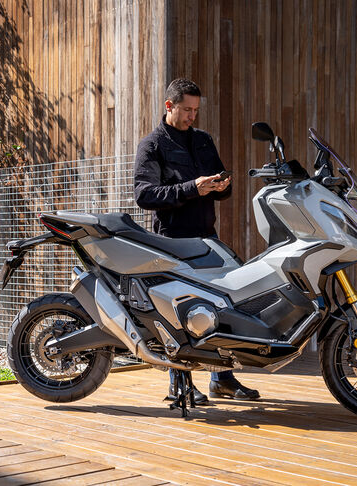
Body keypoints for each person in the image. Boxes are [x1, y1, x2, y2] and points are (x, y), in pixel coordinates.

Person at [133, 78, 260, 404]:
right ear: (169, 106)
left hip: (207, 239)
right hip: (171, 241)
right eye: (187, 110)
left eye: (196, 110)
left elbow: (222, 182)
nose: (192, 116)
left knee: (225, 304)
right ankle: (180, 384)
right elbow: (144, 195)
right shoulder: (152, 145)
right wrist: (193, 188)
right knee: (176, 314)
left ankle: (223, 380)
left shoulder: (203, 140)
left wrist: (221, 186)